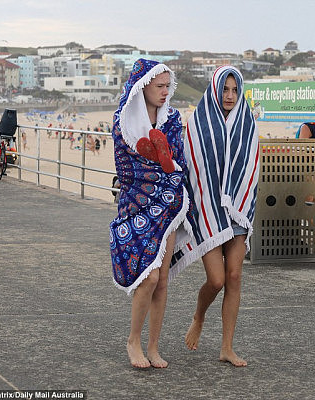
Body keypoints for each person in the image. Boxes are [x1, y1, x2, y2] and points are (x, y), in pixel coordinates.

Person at [109, 59, 196, 369]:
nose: (164, 91)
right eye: (159, 86)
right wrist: (158, 166)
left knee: (162, 283)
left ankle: (154, 346)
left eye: (167, 86)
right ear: (143, 85)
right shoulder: (123, 120)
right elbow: (126, 168)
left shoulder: (172, 119)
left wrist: (164, 167)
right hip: (135, 204)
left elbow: (177, 163)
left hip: (169, 204)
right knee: (149, 276)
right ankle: (133, 340)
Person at [181, 66, 259, 367]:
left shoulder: (247, 122)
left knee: (235, 277)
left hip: (237, 208)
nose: (229, 95)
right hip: (208, 209)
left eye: (234, 90)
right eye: (225, 89)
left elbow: (251, 165)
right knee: (215, 280)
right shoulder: (197, 123)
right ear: (215, 90)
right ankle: (199, 316)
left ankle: (227, 347)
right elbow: (192, 167)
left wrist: (242, 198)